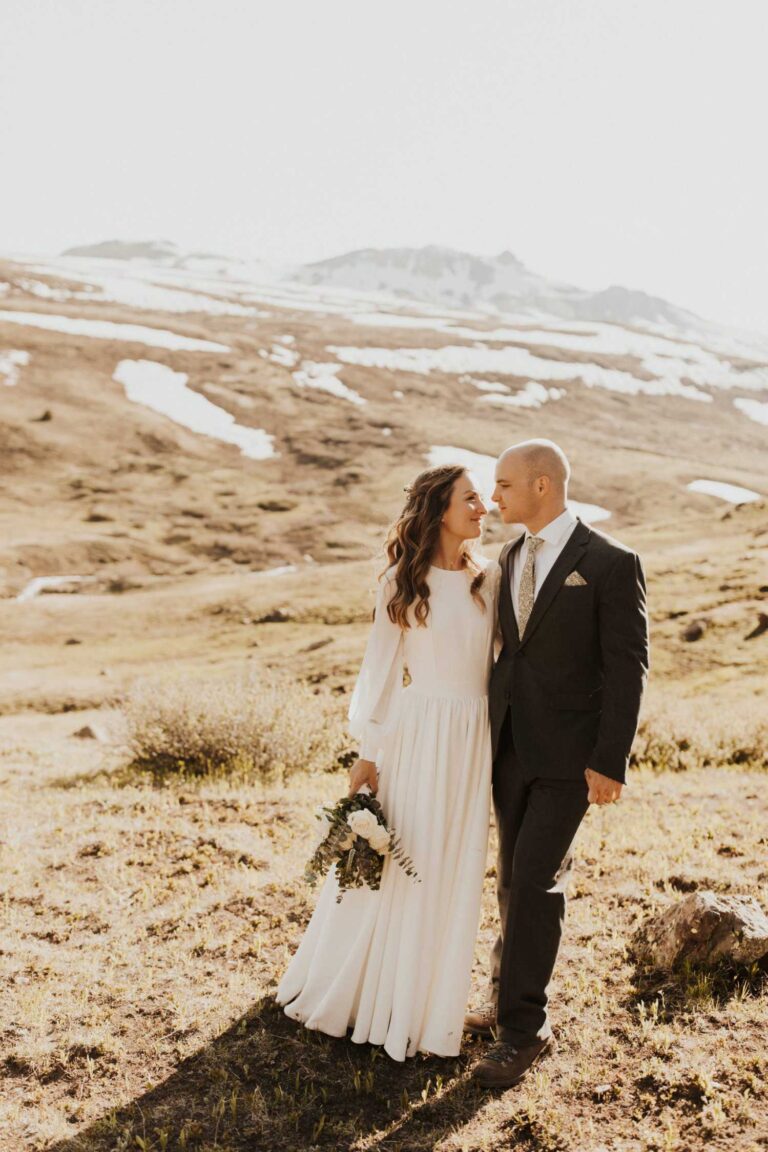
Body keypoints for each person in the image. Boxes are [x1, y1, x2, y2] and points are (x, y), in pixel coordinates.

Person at [276, 464, 500, 1061]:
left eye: (482, 498)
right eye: (471, 499)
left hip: (473, 738)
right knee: (408, 862)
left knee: (455, 865)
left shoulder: (491, 579)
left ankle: (430, 1006)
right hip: (418, 733)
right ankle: (373, 995)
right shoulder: (405, 581)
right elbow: (377, 671)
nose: (483, 508)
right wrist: (368, 754)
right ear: (440, 510)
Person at [467, 439, 649, 1089]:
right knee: (512, 883)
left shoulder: (610, 563)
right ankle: (501, 1003)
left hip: (571, 761)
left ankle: (523, 1031)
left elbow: (628, 668)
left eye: (505, 486)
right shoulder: (510, 557)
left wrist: (611, 760)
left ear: (542, 485)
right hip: (508, 749)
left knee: (538, 881)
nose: (495, 498)